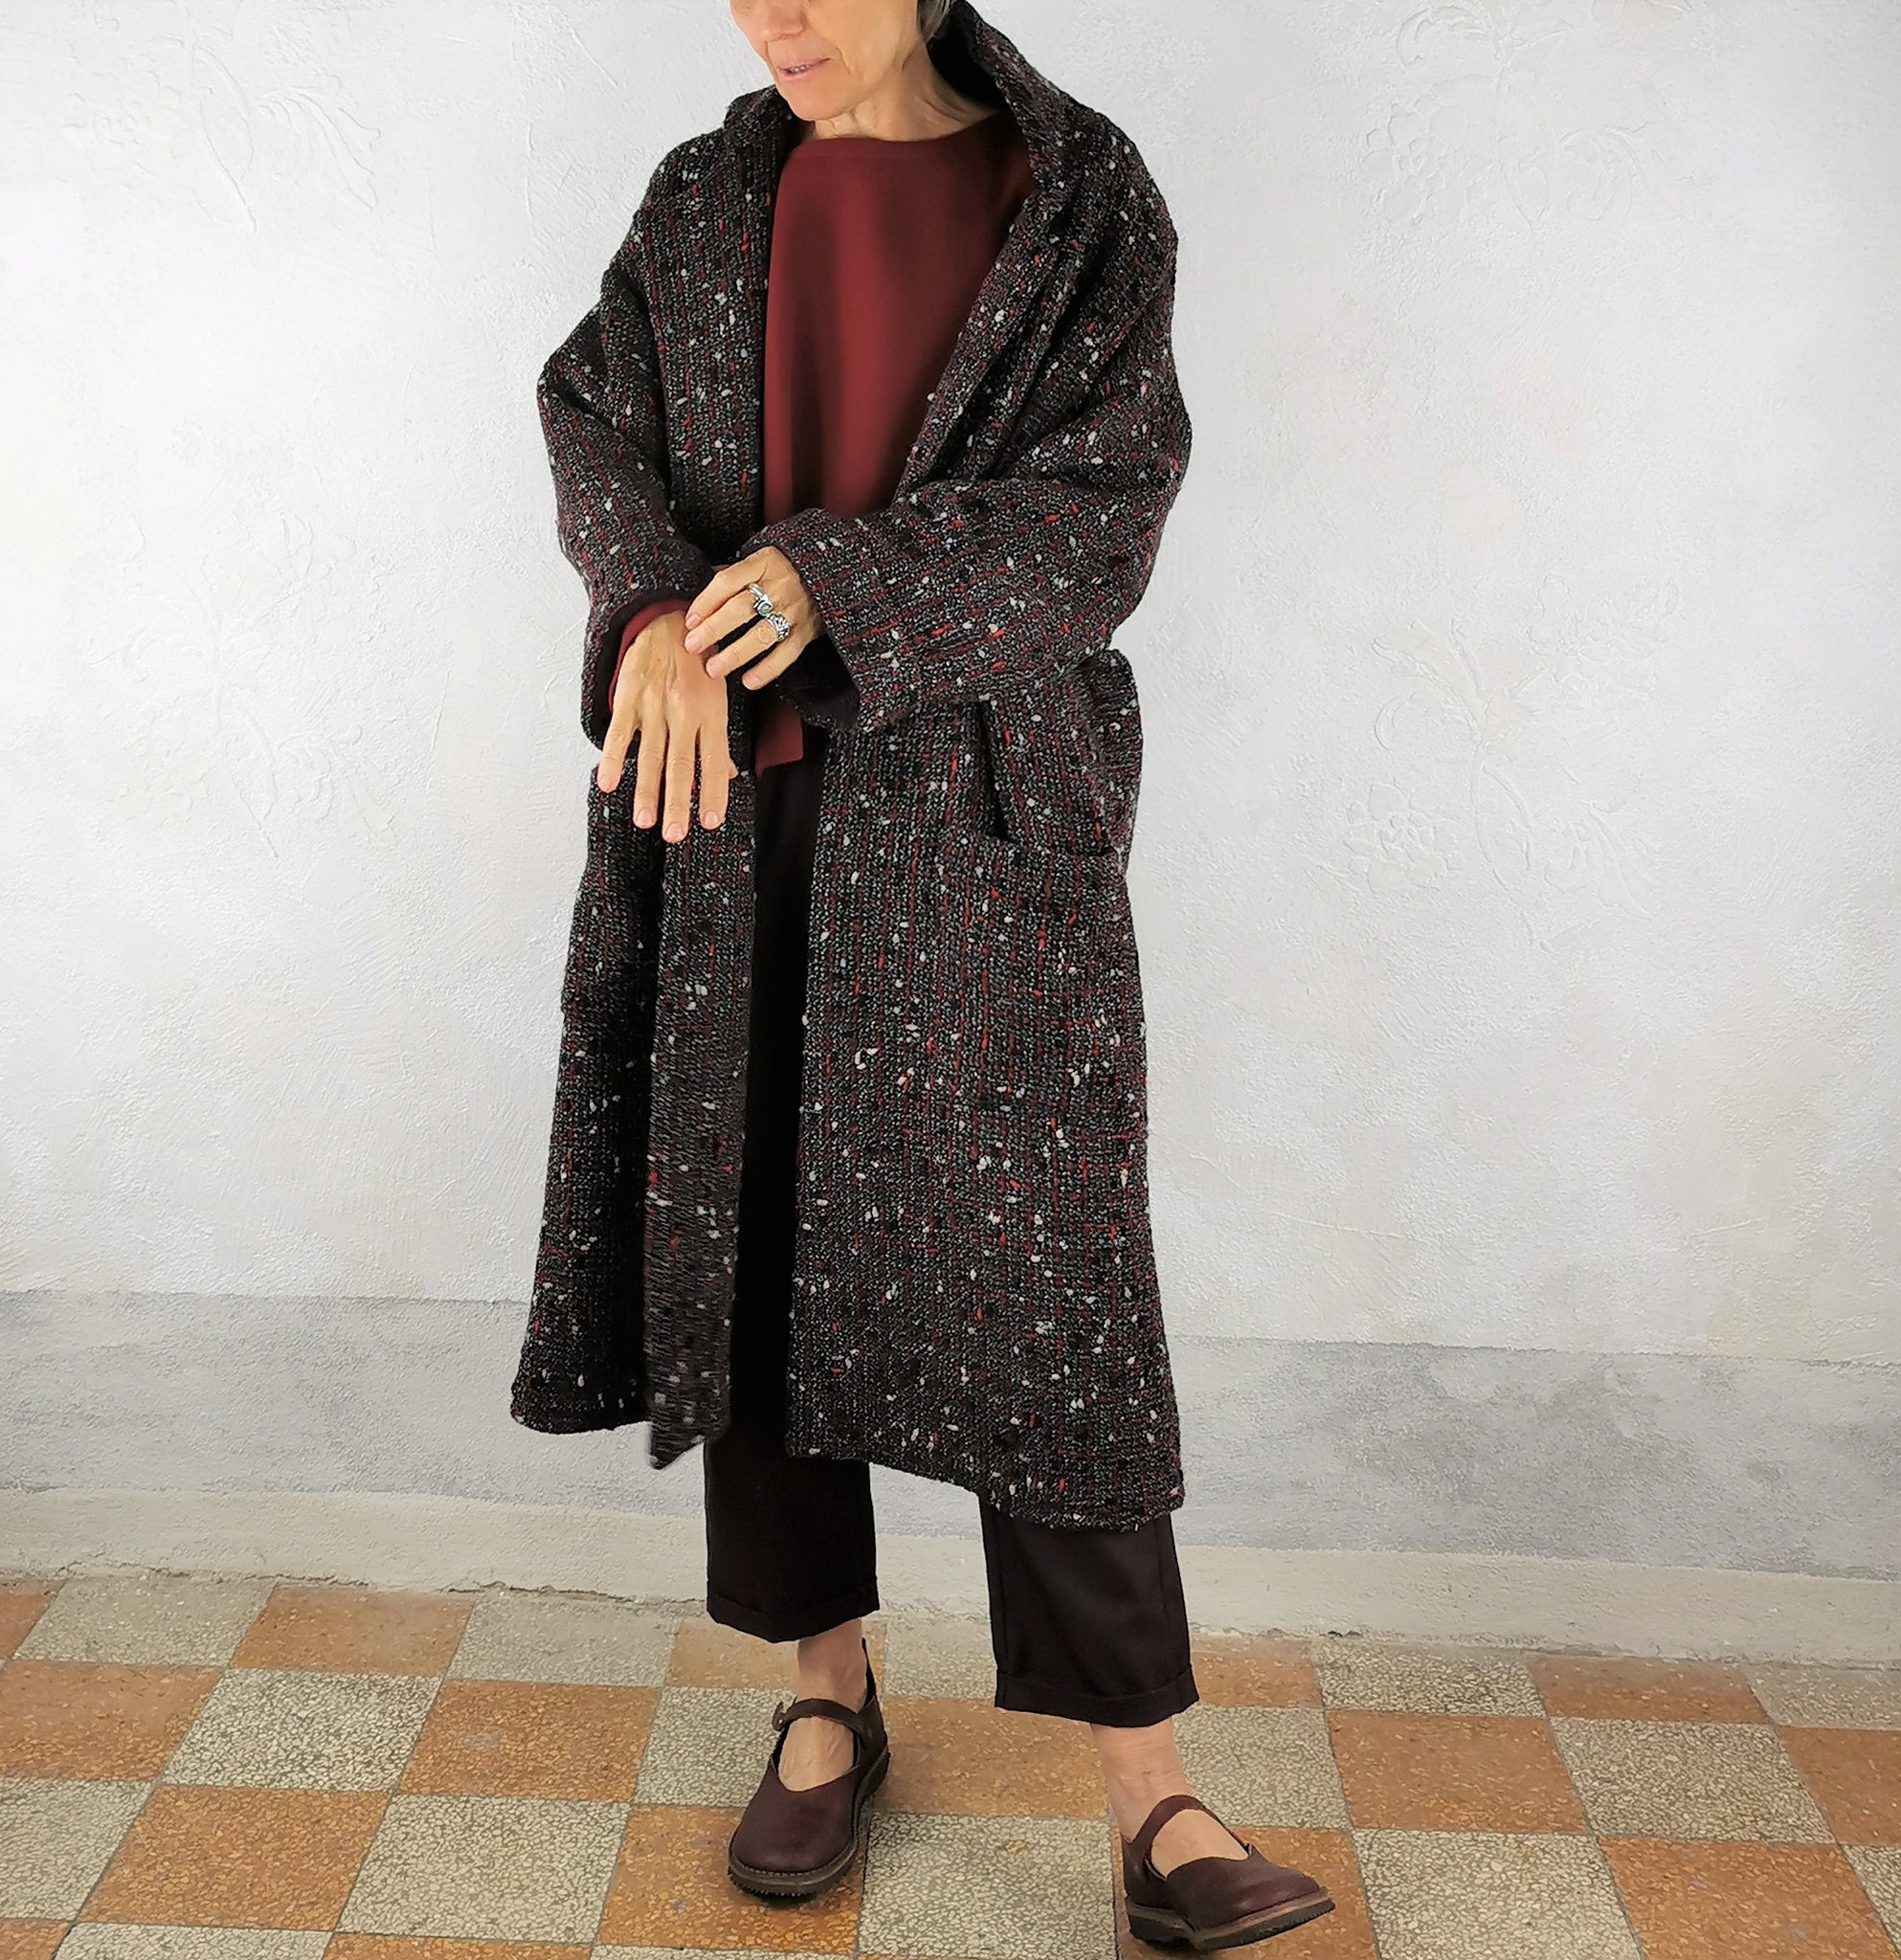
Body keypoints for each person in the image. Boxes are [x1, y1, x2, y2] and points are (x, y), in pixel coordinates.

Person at [520, 0, 1332, 1947]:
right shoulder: (706, 197)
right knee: (750, 1234)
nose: (774, 16)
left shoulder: (1079, 199)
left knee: (1048, 1278)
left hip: (976, 820)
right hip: (734, 806)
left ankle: (1152, 1788)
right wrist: (650, 609)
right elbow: (589, 414)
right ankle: (827, 1697)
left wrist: (846, 577)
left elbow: (1103, 508)